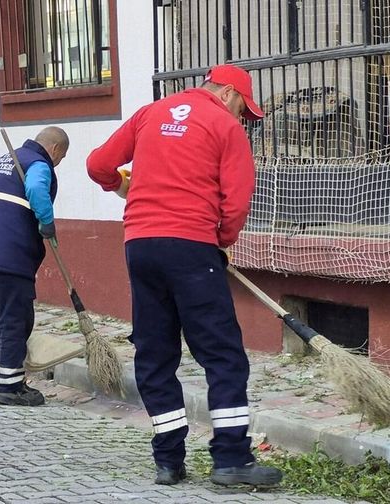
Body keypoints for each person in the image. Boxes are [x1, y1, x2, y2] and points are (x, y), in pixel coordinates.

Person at [86, 64, 284, 487]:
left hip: (139, 245)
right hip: (192, 245)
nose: (241, 120)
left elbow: (98, 164)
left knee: (155, 353)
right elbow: (236, 199)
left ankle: (168, 461)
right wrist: (221, 240)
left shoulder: (149, 113)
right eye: (243, 110)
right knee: (222, 353)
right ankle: (231, 459)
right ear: (229, 94)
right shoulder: (224, 126)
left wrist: (119, 185)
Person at [0, 126, 69, 407]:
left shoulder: (4, 161)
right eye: (61, 158)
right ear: (55, 149)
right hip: (12, 256)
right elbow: (35, 188)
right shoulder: (38, 164)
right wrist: (46, 221)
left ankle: (8, 374)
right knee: (15, 317)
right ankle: (9, 388)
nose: (58, 163)